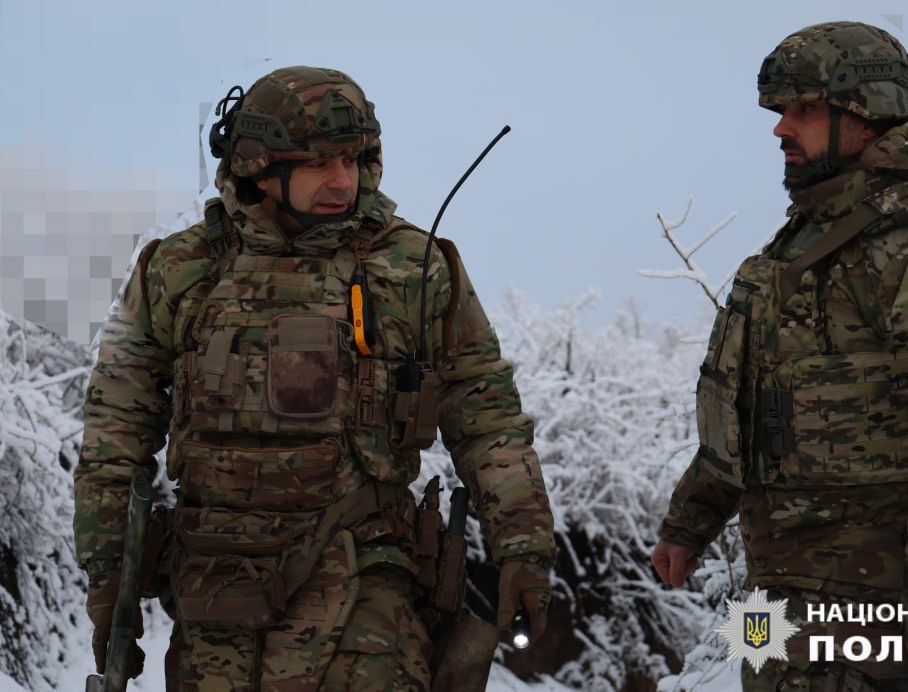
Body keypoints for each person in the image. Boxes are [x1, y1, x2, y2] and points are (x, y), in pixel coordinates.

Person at [74, 66, 555, 690]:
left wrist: (524, 546)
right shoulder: (179, 270)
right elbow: (115, 426)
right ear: (261, 168)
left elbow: (487, 417)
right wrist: (108, 573)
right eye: (320, 164)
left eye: (354, 160)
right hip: (216, 591)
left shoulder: (414, 269)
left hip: (365, 578)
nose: (342, 180)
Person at [652, 22, 908, 691]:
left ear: (865, 114)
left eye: (804, 109)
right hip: (773, 604)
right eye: (780, 111)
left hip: (870, 622)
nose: (780, 129)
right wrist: (688, 524)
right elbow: (745, 408)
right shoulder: (800, 245)